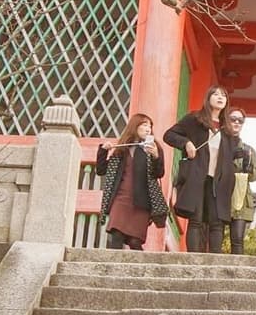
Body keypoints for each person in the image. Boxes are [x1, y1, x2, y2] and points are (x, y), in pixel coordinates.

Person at [163, 86, 236, 253]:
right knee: (195, 219)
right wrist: (186, 143)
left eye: (223, 95)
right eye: (216, 94)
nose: (220, 97)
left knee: (216, 222)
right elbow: (169, 135)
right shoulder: (194, 119)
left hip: (219, 181)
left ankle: (215, 260)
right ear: (208, 98)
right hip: (196, 176)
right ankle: (193, 259)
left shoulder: (227, 129)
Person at [95, 112, 166, 250]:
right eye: (144, 125)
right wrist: (103, 151)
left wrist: (156, 156)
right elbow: (101, 170)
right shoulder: (122, 149)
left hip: (143, 200)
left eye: (150, 126)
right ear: (135, 126)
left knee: (135, 241)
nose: (148, 129)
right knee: (116, 234)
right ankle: (112, 267)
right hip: (121, 198)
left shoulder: (153, 148)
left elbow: (159, 173)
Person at [224, 107, 256, 254]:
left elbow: (255, 175)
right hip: (222, 193)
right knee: (215, 234)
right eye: (233, 119)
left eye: (240, 120)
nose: (237, 123)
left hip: (241, 196)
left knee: (237, 238)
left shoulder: (249, 150)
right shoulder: (220, 144)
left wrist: (247, 167)